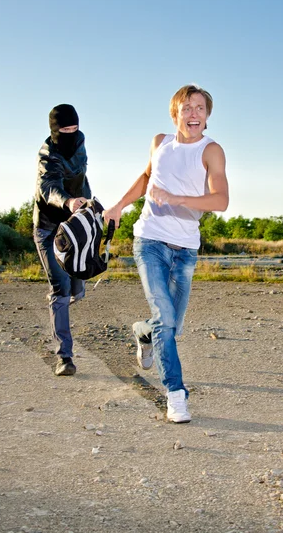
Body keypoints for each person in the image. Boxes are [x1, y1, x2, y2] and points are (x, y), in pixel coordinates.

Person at [104, 84, 229, 423]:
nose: (194, 114)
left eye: (200, 108)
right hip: (150, 241)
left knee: (169, 326)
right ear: (175, 113)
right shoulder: (160, 142)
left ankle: (142, 334)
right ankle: (176, 394)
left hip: (186, 248)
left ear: (207, 116)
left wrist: (178, 199)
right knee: (166, 317)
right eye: (187, 107)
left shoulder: (211, 150)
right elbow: (146, 178)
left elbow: (220, 201)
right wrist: (118, 205)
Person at [33, 104, 91, 376]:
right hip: (48, 229)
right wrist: (67, 201)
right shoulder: (47, 154)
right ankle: (64, 357)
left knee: (76, 288)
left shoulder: (80, 144)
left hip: (73, 227)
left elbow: (82, 179)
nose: (70, 134)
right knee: (60, 287)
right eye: (64, 130)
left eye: (74, 129)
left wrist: (91, 206)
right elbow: (48, 187)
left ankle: (69, 293)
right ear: (54, 130)